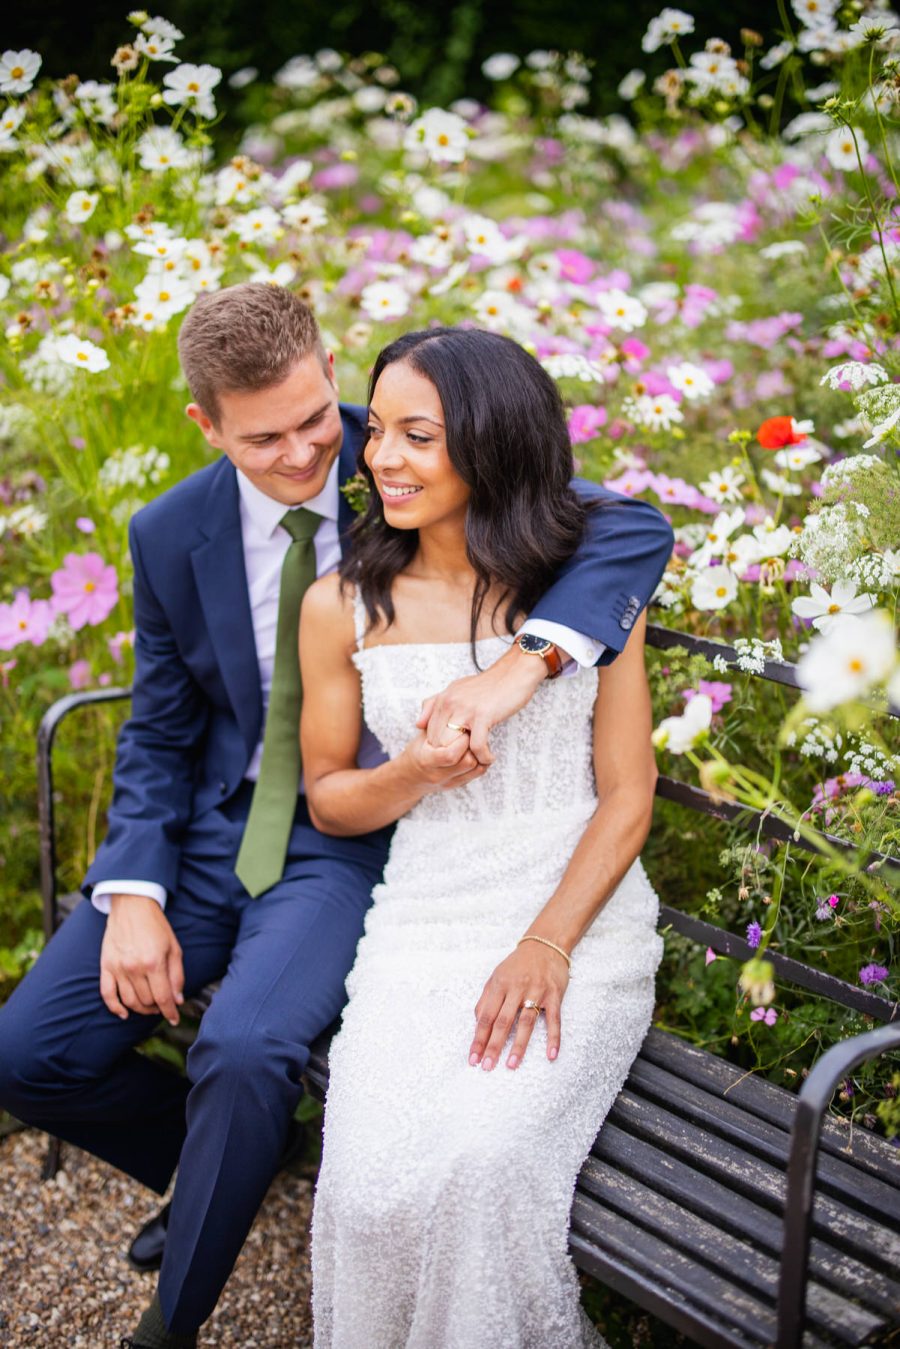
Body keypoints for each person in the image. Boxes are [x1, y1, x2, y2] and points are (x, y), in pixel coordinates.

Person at [0, 288, 672, 1349]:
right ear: (207, 426)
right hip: (220, 834)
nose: (313, 450)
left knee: (249, 1044)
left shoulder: (409, 448)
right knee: (27, 1052)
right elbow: (160, 728)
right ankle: (224, 1159)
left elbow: (623, 526)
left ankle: (170, 1314)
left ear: (328, 372)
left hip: (359, 845)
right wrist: (131, 889)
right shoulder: (171, 530)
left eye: (320, 417)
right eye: (265, 436)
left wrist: (513, 671)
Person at [301, 327, 665, 1349]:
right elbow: (332, 799)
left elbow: (628, 797)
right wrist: (411, 770)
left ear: (492, 445)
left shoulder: (582, 590)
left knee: (481, 1165)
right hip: (422, 920)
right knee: (367, 1188)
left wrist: (547, 943)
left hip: (577, 916)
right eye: (376, 430)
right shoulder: (341, 605)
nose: (381, 458)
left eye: (419, 434)